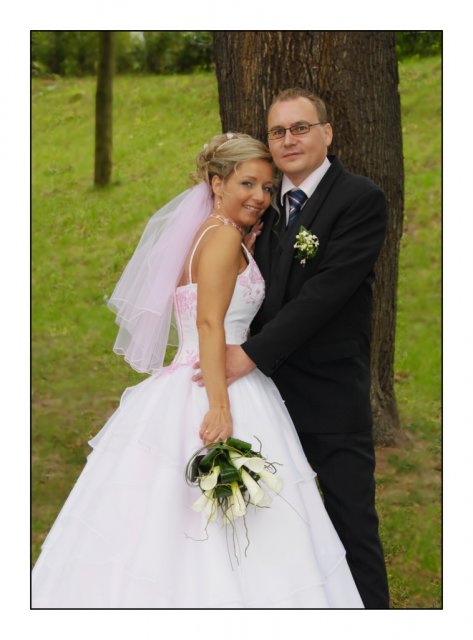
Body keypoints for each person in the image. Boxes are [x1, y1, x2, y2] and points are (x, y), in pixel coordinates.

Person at [32, 132, 364, 608]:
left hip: (189, 379)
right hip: (217, 383)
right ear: (217, 183)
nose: (260, 197)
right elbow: (210, 323)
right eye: (247, 184)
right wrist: (220, 407)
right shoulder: (223, 237)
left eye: (267, 187)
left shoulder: (212, 234)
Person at [203, 89, 390, 609]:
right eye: (278, 131)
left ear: (326, 133)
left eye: (300, 127)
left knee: (352, 525)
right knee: (277, 529)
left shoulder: (359, 199)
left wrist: (249, 354)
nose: (289, 139)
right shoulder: (258, 204)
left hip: (330, 399)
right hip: (264, 403)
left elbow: (325, 295)